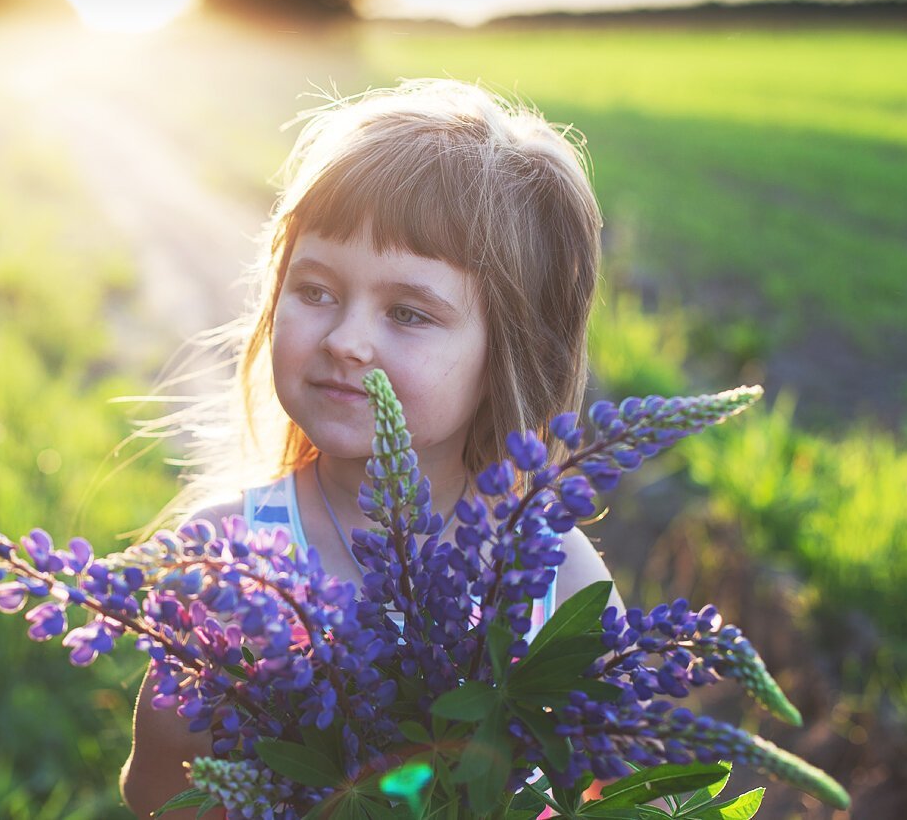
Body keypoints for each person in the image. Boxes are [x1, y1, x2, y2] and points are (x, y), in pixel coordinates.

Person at [120, 79, 625, 818]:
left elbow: (597, 792)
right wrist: (176, 725)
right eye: (316, 290)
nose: (347, 339)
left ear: (508, 351)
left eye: (409, 312)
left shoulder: (560, 577)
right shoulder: (224, 555)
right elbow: (156, 797)